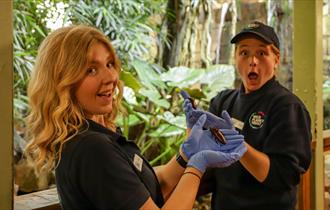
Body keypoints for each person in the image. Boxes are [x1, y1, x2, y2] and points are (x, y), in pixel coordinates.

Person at [24, 25, 247, 210]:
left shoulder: (98, 133)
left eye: (110, 64)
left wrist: (186, 155)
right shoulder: (91, 148)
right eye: (91, 70)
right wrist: (197, 166)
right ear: (64, 80)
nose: (110, 77)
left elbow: (142, 190)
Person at [182, 21, 312, 210]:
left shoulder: (288, 107)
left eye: (262, 53)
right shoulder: (222, 101)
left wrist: (241, 147)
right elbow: (205, 163)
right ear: (235, 58)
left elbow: (284, 177)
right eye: (244, 53)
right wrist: (192, 132)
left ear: (276, 60)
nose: (253, 61)